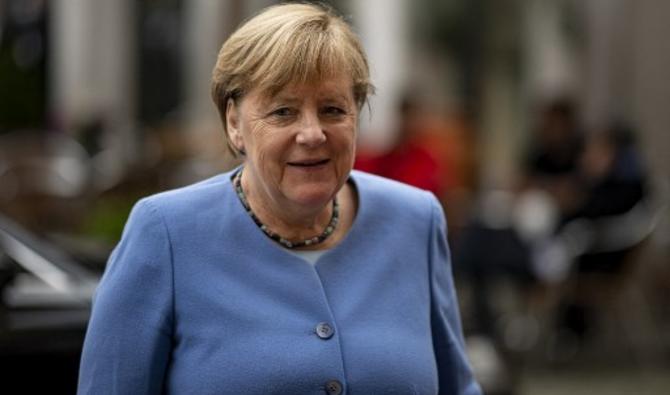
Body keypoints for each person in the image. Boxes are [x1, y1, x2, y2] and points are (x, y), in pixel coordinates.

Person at [77, 4, 481, 394]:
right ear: (234, 123)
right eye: (283, 112)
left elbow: (457, 386)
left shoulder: (415, 220)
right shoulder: (165, 233)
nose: (312, 134)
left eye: (332, 109)